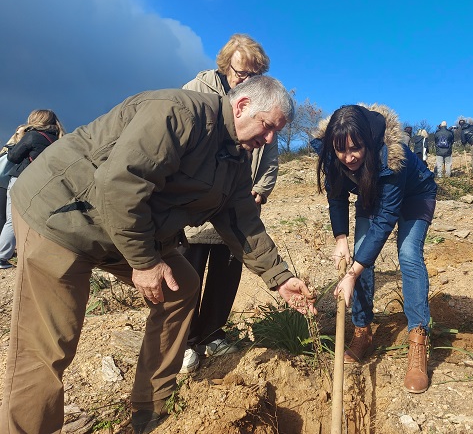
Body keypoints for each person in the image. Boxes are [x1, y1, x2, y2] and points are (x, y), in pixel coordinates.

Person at [0, 76, 316, 434]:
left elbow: (241, 222)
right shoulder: (179, 113)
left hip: (121, 226)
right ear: (242, 106)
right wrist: (145, 261)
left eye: (277, 131)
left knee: (180, 286)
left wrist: (281, 278)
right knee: (49, 346)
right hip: (60, 215)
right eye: (268, 126)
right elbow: (120, 186)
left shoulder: (235, 161)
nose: (271, 139)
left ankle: (149, 412)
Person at [313, 104, 437, 393]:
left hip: (415, 196)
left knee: (407, 254)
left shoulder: (394, 158)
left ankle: (418, 340)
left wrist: (352, 273)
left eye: (356, 148)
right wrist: (340, 238)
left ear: (368, 142)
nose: (349, 157)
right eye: (342, 150)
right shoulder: (333, 153)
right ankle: (362, 331)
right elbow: (337, 197)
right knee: (358, 249)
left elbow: (384, 222)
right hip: (373, 191)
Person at [179, 33, 279, 373]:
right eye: (241, 73)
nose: (246, 80)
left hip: (238, 205)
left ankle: (211, 333)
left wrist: (261, 190)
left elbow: (270, 152)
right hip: (198, 207)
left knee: (226, 275)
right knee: (188, 274)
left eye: (254, 75)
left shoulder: (263, 100)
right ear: (225, 66)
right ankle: (185, 341)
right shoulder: (197, 90)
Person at [0, 109, 65, 269]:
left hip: (21, 180)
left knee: (11, 219)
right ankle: (35, 255)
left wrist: (20, 136)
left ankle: (1, 256)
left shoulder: (32, 136)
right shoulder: (58, 139)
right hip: (42, 183)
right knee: (35, 219)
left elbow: (13, 157)